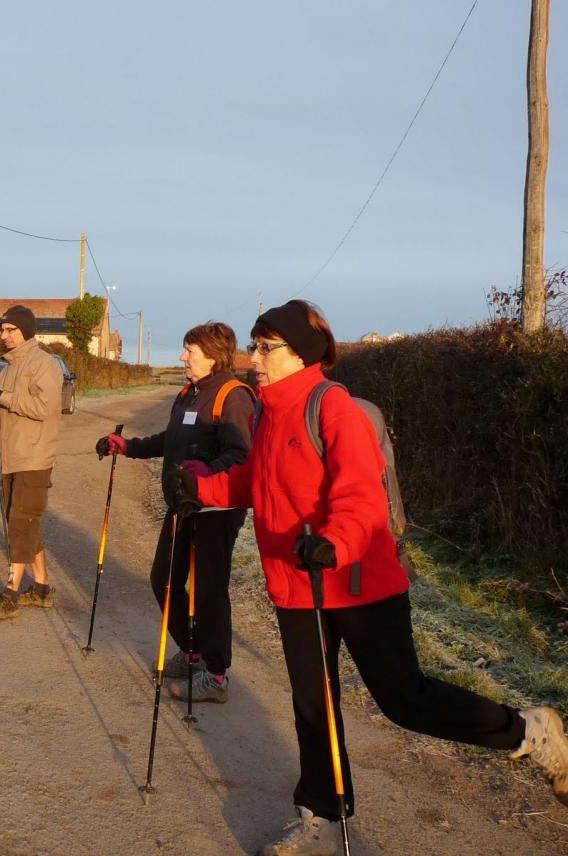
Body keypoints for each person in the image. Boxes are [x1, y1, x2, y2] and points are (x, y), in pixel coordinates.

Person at [167, 299, 568, 855]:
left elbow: (360, 496)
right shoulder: (266, 412)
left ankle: (530, 732)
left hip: (357, 582)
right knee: (315, 704)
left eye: (265, 347)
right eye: (254, 346)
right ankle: (322, 820)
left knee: (405, 700)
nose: (253, 357)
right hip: (296, 584)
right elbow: (252, 484)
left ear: (300, 354)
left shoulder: (332, 407)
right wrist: (202, 489)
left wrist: (335, 542)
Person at [94, 322, 252, 703]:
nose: (183, 357)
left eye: (190, 352)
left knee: (210, 590)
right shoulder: (190, 392)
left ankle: (216, 676)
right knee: (163, 578)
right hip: (183, 504)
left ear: (213, 357)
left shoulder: (233, 396)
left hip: (216, 508)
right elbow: (173, 440)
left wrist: (206, 471)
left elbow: (241, 453)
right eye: (185, 350)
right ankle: (193, 649)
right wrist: (128, 446)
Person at [0, 305, 63, 620]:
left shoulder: (44, 365)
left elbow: (44, 407)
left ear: (26, 330)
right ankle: (41, 589)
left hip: (34, 457)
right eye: (2, 329)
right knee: (27, 524)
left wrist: (1, 398)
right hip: (10, 457)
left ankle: (11, 593)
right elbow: (6, 408)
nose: (4, 335)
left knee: (19, 525)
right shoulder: (7, 367)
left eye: (10, 329)